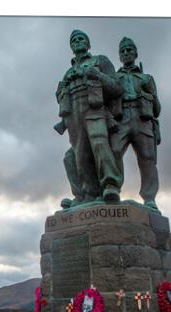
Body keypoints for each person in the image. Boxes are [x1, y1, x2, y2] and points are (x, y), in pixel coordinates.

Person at [55, 30, 124, 207]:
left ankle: (110, 186)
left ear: (88, 44)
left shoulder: (101, 61)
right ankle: (88, 193)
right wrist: (60, 91)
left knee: (100, 143)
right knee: (79, 154)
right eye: (74, 40)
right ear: (71, 46)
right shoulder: (68, 72)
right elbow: (61, 98)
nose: (78, 42)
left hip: (95, 108)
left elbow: (117, 88)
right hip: (73, 115)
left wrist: (98, 75)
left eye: (81, 39)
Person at [110, 37, 162, 211]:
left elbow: (157, 109)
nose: (126, 53)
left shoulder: (147, 78)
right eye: (122, 51)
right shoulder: (114, 77)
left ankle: (149, 198)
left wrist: (149, 91)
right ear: (119, 56)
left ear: (135, 53)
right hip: (121, 117)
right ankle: (112, 191)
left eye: (129, 50)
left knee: (147, 159)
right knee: (114, 152)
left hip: (143, 119)